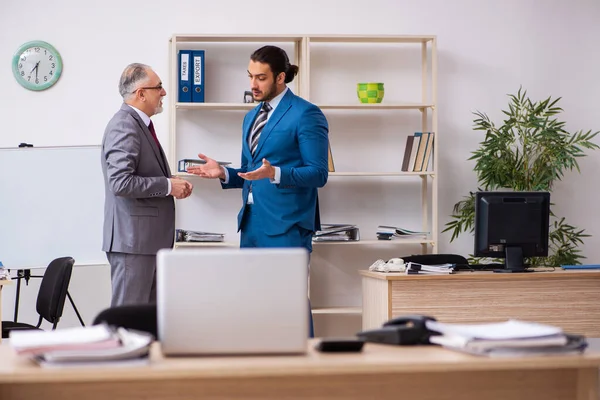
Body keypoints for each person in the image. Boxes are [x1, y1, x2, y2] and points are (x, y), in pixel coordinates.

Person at [187, 46, 329, 335]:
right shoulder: (250, 117)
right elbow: (251, 171)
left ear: (280, 77)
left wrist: (275, 172)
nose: (253, 84)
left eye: (261, 78)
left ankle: (306, 372)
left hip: (287, 225)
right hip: (251, 224)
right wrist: (224, 172)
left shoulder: (306, 114)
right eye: (250, 76)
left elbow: (318, 173)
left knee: (289, 307)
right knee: (255, 306)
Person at [101, 63, 193, 307]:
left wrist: (171, 181)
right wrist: (167, 186)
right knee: (129, 322)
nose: (163, 93)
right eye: (159, 87)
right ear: (141, 93)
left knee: (146, 323)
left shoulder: (139, 124)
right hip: (134, 242)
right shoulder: (125, 125)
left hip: (145, 242)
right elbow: (120, 183)